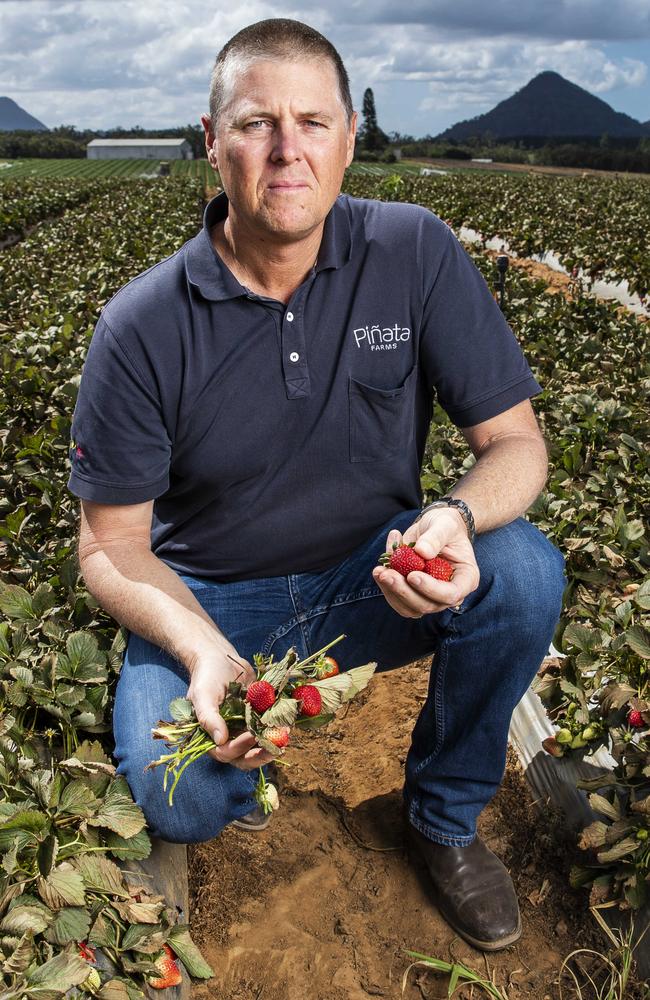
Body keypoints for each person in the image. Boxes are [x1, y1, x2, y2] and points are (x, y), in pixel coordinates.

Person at [68, 18, 565, 953]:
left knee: (526, 572)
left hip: (370, 579)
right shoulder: (138, 325)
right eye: (256, 123)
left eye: (313, 122)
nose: (287, 150)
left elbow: (516, 445)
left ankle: (442, 818)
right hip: (209, 600)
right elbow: (111, 544)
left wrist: (453, 516)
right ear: (211, 141)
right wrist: (204, 649)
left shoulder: (414, 251)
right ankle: (238, 765)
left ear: (347, 139)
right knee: (181, 798)